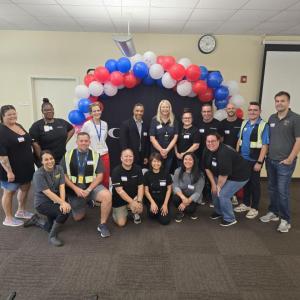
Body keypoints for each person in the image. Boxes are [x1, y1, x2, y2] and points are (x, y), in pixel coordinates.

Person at [260, 91, 300, 233]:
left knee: (282, 191)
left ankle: (285, 220)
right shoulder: (272, 118)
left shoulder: (296, 119)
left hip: (285, 163)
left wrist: (290, 158)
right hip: (271, 160)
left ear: (288, 102)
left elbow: (299, 141)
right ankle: (273, 212)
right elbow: (268, 140)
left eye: (282, 101)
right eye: (277, 101)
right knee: (271, 188)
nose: (279, 103)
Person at [61, 132, 112, 238]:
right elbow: (64, 176)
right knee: (78, 218)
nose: (84, 143)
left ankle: (102, 224)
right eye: (81, 141)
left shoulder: (95, 155)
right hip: (75, 189)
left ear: (89, 142)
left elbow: (99, 176)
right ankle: (87, 201)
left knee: (107, 195)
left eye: (86, 141)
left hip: (91, 187)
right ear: (77, 142)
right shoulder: (67, 155)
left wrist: (89, 190)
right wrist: (75, 188)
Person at [203, 133, 250, 227]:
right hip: (221, 173)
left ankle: (230, 218)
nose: (210, 143)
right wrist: (213, 184)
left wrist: (218, 186)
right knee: (214, 191)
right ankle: (219, 211)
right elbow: (207, 168)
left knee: (223, 194)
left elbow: (224, 175)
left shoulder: (224, 153)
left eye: (213, 141)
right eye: (208, 141)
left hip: (238, 176)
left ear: (219, 141)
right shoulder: (207, 149)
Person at [26, 150, 71, 246]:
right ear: (41, 162)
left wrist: (62, 202)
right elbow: (48, 193)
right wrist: (62, 204)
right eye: (46, 160)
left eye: (51, 158)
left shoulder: (59, 168)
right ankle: (52, 236)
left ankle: (36, 220)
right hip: (43, 203)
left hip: (56, 199)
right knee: (64, 212)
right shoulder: (38, 174)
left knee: (50, 226)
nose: (50, 161)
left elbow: (62, 186)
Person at [0, 105, 34, 227]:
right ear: (2, 116)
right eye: (9, 114)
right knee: (9, 192)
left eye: (14, 113)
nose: (13, 116)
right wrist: (9, 172)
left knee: (25, 188)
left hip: (26, 167)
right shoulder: (2, 131)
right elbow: (2, 156)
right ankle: (8, 218)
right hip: (11, 169)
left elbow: (28, 141)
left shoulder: (18, 125)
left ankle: (21, 211)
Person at [234, 102, 269, 219]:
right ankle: (246, 203)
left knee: (254, 184)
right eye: (250, 110)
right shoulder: (244, 123)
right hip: (243, 159)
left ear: (260, 111)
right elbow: (239, 141)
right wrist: (237, 157)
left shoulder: (263, 125)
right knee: (245, 182)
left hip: (255, 160)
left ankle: (254, 207)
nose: (252, 112)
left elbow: (265, 145)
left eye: (255, 110)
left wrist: (259, 162)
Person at [29, 98, 74, 165]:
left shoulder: (61, 122)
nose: (49, 111)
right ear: (42, 111)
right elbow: (35, 145)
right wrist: (43, 159)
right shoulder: (36, 126)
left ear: (53, 110)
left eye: (50, 109)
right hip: (46, 160)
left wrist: (64, 141)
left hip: (61, 158)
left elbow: (72, 129)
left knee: (61, 175)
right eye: (46, 110)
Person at [197, 103, 223, 206]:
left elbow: (221, 140)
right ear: (201, 113)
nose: (206, 113)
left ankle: (213, 198)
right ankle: (203, 195)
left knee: (213, 176)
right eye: (204, 111)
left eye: (208, 111)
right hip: (200, 155)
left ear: (212, 112)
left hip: (214, 155)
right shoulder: (198, 124)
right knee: (202, 176)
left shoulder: (218, 124)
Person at [111, 148, 144, 227]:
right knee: (121, 224)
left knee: (139, 208)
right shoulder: (116, 171)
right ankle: (116, 212)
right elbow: (120, 191)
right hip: (119, 201)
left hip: (134, 198)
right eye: (126, 156)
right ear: (121, 158)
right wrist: (133, 203)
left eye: (130, 156)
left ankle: (134, 212)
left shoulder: (138, 169)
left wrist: (138, 201)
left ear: (133, 157)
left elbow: (140, 186)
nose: (128, 158)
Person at [81, 102, 110, 188]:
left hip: (104, 155)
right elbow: (82, 140)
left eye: (98, 110)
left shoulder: (105, 124)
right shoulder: (87, 125)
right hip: (92, 155)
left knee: (105, 178)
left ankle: (106, 197)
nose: (97, 112)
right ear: (91, 113)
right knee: (93, 178)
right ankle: (94, 199)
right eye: (94, 111)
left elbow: (104, 138)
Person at [220, 103, 243, 205]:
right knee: (226, 175)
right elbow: (220, 140)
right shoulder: (222, 123)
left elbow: (242, 139)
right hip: (225, 155)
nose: (230, 110)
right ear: (226, 110)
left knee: (235, 176)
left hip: (238, 155)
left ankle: (233, 196)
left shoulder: (242, 123)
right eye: (229, 108)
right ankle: (225, 195)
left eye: (232, 108)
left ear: (236, 109)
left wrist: (238, 151)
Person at [173, 152, 205, 223]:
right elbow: (175, 186)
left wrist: (186, 202)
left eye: (190, 159)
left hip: (193, 197)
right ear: (183, 160)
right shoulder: (178, 171)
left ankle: (185, 208)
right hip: (182, 195)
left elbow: (198, 192)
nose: (187, 161)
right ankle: (181, 211)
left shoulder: (200, 174)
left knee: (190, 210)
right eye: (185, 159)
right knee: (175, 198)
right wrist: (183, 198)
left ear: (194, 161)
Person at [149, 100, 179, 174]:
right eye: (163, 107)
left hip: (169, 153)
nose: (165, 109)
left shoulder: (174, 120)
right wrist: (161, 150)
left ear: (170, 108)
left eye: (167, 107)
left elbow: (175, 137)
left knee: (166, 173)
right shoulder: (154, 120)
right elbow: (152, 138)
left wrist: (167, 150)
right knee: (155, 173)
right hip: (156, 153)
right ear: (160, 108)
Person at [144, 153, 172, 225]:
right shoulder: (147, 174)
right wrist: (152, 203)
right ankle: (155, 209)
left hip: (163, 200)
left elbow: (169, 190)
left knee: (165, 221)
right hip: (152, 199)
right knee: (152, 215)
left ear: (161, 162)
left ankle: (162, 209)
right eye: (154, 161)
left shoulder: (166, 174)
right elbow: (146, 191)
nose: (156, 163)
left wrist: (165, 204)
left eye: (158, 161)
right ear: (150, 162)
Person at [120, 103, 149, 167]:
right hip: (130, 157)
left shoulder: (146, 124)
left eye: (141, 111)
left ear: (143, 112)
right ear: (133, 111)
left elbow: (147, 142)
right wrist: (126, 157)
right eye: (137, 111)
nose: (139, 113)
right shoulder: (125, 124)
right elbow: (123, 142)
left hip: (142, 156)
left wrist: (146, 156)